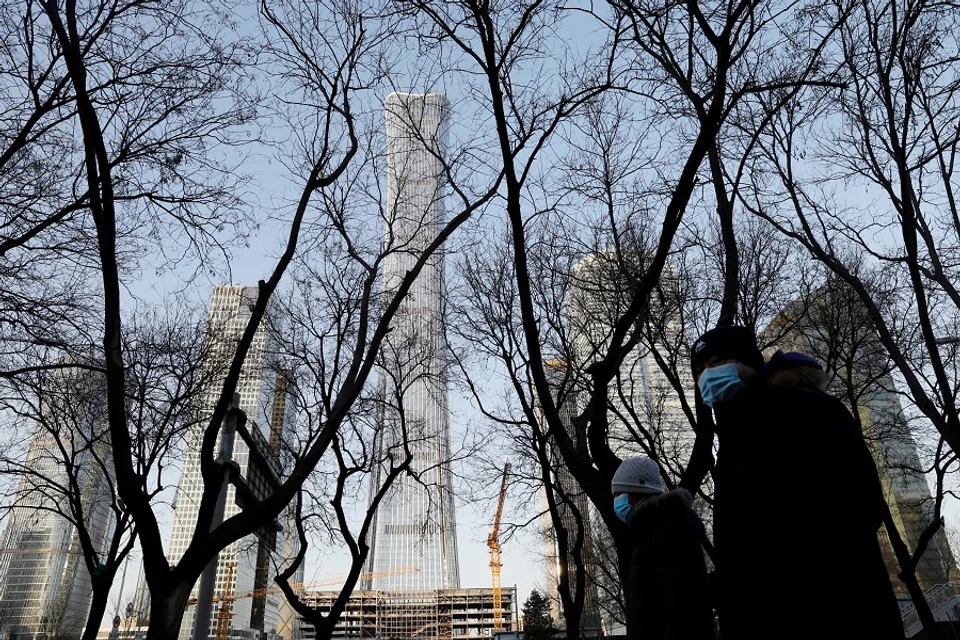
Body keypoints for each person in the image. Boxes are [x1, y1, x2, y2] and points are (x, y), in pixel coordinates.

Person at [690, 325, 905, 640]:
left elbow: (857, 505)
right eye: (699, 371)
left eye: (718, 362)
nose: (707, 376)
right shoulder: (732, 444)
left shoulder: (808, 408)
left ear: (750, 362)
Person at [611, 455, 714, 640]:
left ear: (639, 492)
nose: (616, 501)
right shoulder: (653, 530)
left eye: (619, 494)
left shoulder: (666, 532)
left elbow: (680, 609)